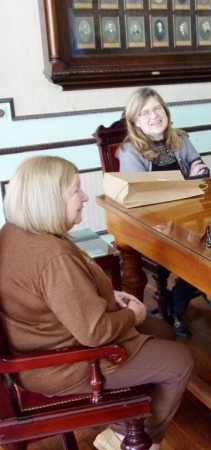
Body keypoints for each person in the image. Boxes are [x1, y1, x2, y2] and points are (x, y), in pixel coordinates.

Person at [0, 156, 194, 450]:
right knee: (179, 361)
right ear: (50, 200)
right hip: (60, 363)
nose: (85, 197)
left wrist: (107, 296)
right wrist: (133, 314)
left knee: (163, 331)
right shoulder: (53, 257)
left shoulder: (15, 233)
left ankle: (122, 422)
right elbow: (95, 333)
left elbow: (51, 294)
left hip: (42, 342)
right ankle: (133, 437)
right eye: (76, 190)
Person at [119, 87, 211, 338]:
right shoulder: (130, 151)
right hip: (154, 224)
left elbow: (200, 168)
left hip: (190, 215)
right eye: (145, 112)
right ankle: (179, 304)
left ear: (166, 112)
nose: (154, 116)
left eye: (157, 109)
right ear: (135, 121)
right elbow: (143, 195)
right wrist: (188, 180)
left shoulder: (179, 138)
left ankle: (187, 292)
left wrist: (194, 173)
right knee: (194, 250)